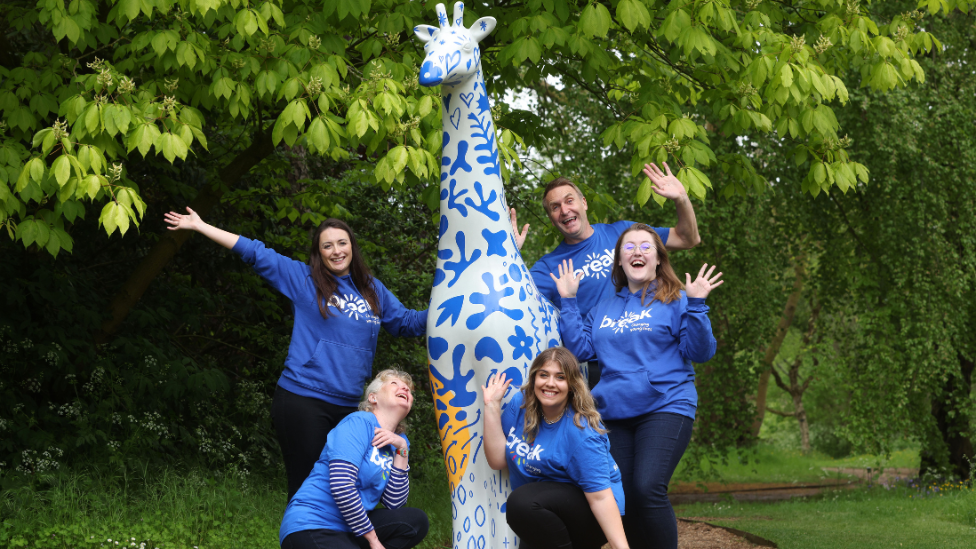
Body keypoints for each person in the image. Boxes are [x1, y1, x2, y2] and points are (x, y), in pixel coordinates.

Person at [164, 209, 427, 500]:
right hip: (304, 401)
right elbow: (254, 251)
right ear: (318, 252)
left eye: (342, 243)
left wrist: (452, 304)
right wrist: (201, 226)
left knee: (345, 491)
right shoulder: (304, 280)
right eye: (327, 246)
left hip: (351, 407)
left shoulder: (372, 290)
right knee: (307, 492)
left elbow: (408, 323)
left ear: (352, 246)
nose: (336, 251)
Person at [549, 223, 723, 549]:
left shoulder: (676, 300)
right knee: (624, 498)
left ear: (658, 259)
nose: (637, 252)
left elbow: (700, 352)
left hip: (666, 405)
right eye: (629, 247)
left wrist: (697, 304)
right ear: (619, 261)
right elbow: (580, 351)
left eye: (646, 246)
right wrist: (569, 300)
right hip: (614, 412)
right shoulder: (603, 309)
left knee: (647, 487)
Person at [510, 164, 701, 386]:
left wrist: (681, 199)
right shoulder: (549, 266)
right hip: (596, 370)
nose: (564, 210)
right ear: (552, 218)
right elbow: (513, 303)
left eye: (569, 200)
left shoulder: (624, 234)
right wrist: (510, 254)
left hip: (648, 353)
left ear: (584, 203)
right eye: (555, 207)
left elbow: (687, 239)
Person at [481, 347, 629, 549]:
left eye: (560, 377)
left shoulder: (581, 433)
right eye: (544, 375)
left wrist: (621, 547)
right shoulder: (522, 405)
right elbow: (498, 460)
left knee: (521, 502)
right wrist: (491, 406)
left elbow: (601, 497)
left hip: (590, 515)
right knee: (524, 506)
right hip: (544, 509)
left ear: (572, 385)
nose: (550, 383)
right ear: (534, 378)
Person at [279, 369, 428, 549]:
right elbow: (342, 485)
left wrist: (402, 450)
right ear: (373, 398)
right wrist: (374, 541)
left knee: (415, 521)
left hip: (351, 528)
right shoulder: (359, 422)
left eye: (408, 390)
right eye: (394, 384)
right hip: (313, 523)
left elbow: (394, 503)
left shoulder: (400, 442)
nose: (404, 388)